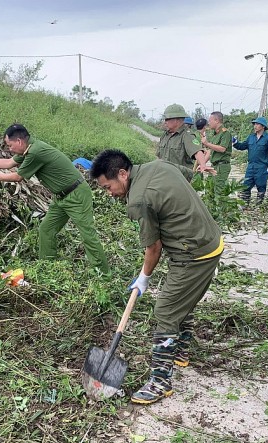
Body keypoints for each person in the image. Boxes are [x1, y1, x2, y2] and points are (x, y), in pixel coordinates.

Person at [90, 149, 223, 405]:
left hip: (195, 253)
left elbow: (153, 248)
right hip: (206, 240)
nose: (110, 194)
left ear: (122, 174)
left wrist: (143, 277)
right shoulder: (158, 166)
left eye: (108, 187)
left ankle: (160, 381)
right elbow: (189, 175)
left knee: (165, 310)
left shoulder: (139, 199)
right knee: (181, 299)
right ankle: (180, 353)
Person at [0, 124, 110, 273]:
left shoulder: (35, 152)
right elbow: (9, 163)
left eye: (10, 145)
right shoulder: (29, 147)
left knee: (88, 235)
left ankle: (103, 274)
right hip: (61, 197)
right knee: (46, 229)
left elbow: (18, 177)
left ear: (19, 141)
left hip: (76, 194)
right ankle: (47, 267)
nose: (9, 149)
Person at [156, 104, 215, 181]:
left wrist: (203, 165)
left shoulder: (186, 135)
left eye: (167, 119)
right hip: (164, 177)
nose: (165, 122)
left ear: (176, 120)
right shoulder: (165, 135)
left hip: (179, 179)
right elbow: (158, 157)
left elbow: (197, 151)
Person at [232, 116, 268, 204]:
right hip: (251, 166)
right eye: (254, 124)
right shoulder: (251, 137)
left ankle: (259, 205)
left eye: (257, 124)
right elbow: (242, 146)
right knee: (246, 185)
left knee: (261, 186)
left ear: (263, 126)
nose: (255, 126)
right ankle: (245, 204)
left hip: (262, 167)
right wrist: (235, 143)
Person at [201, 111, 233, 191]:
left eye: (210, 120)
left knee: (218, 191)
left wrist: (207, 143)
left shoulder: (225, 133)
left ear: (216, 120)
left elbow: (222, 149)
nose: (209, 123)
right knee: (209, 190)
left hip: (222, 166)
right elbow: (210, 151)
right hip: (214, 166)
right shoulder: (215, 134)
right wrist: (202, 164)